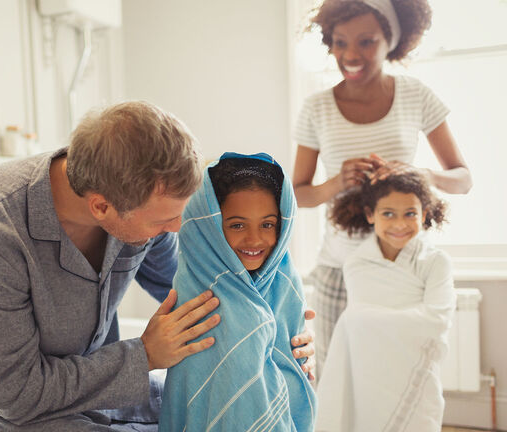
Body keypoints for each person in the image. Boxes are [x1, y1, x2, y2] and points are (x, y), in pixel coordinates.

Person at [0, 101, 316, 431]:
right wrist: (146, 354)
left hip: (104, 388)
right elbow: (17, 395)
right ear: (101, 206)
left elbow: (198, 291)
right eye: (161, 223)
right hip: (18, 414)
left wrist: (273, 321)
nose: (176, 229)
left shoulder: (142, 203)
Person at [292, 0, 472, 379]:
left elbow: (462, 178)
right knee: (333, 376)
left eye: (366, 42)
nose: (350, 55)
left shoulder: (415, 95)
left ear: (391, 40)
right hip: (338, 268)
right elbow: (298, 195)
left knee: (396, 375)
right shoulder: (316, 108)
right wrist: (338, 183)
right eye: (340, 43)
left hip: (400, 267)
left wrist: (419, 173)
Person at [160, 153, 316, 432]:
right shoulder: (197, 296)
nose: (255, 239)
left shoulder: (283, 283)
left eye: (267, 224)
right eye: (237, 225)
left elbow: (295, 365)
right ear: (209, 228)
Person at [315, 171, 454, 431]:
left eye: (410, 213)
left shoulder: (436, 262)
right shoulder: (356, 263)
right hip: (367, 372)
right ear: (371, 215)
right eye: (388, 213)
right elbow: (360, 332)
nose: (399, 224)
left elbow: (437, 320)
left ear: (424, 214)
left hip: (416, 369)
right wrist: (363, 320)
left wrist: (362, 319)